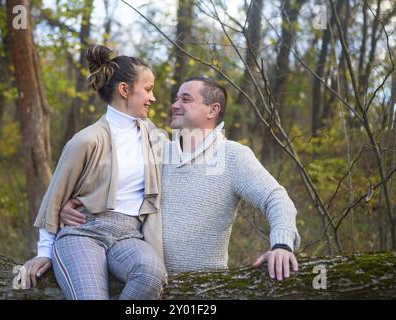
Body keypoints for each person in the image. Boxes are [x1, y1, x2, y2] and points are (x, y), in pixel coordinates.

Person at [60, 76, 301, 282]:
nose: (174, 105)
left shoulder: (233, 156)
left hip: (204, 288)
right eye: (175, 98)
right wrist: (72, 206)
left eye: (185, 99)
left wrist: (281, 245)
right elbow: (113, 187)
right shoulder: (158, 151)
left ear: (212, 110)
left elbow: (276, 198)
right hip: (141, 278)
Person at [20, 44, 167, 300]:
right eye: (148, 89)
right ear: (124, 90)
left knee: (152, 275)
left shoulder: (151, 135)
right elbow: (55, 196)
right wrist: (44, 251)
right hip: (83, 232)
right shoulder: (86, 140)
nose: (152, 98)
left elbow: (186, 154)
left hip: (129, 236)